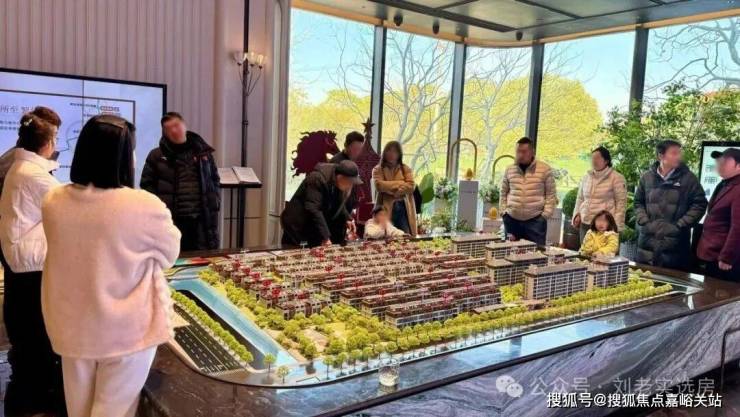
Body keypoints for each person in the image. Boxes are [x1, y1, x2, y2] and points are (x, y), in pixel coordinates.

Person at [41, 115, 181, 417]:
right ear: (124, 157)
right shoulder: (144, 206)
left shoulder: (53, 201)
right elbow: (169, 254)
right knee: (114, 410)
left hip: (72, 327)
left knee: (78, 409)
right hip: (127, 331)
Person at [0, 111, 66, 416]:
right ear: (47, 142)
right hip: (30, 263)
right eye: (55, 138)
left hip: (20, 259)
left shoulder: (19, 165)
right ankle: (38, 402)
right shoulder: (33, 174)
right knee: (36, 334)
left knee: (26, 330)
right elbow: (67, 206)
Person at [141, 112, 220, 251]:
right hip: (172, 220)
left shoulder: (204, 153)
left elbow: (214, 179)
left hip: (201, 219)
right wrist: (158, 209)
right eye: (168, 129)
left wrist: (215, 200)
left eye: (176, 125)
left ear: (184, 125)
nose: (173, 130)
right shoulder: (156, 156)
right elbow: (147, 185)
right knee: (173, 257)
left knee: (202, 259)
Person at [634, 140, 707, 270]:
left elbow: (700, 204)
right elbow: (638, 202)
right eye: (674, 153)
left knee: (672, 280)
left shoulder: (688, 178)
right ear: (661, 156)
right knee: (644, 278)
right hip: (648, 240)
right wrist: (644, 220)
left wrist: (681, 224)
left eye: (679, 153)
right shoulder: (647, 177)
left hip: (675, 242)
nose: (678, 156)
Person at [281, 160, 362, 247]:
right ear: (340, 177)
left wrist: (347, 218)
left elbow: (338, 203)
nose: (350, 186)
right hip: (296, 224)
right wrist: (325, 237)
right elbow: (313, 209)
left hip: (311, 224)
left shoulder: (335, 180)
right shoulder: (316, 179)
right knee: (296, 252)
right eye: (349, 182)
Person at [500, 137, 557, 246]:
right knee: (510, 252)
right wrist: (504, 212)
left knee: (537, 253)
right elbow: (503, 192)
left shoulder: (544, 169)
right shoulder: (509, 169)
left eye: (524, 151)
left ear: (532, 152)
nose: (520, 155)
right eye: (518, 151)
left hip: (535, 221)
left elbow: (551, 195)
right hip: (512, 220)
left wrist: (545, 215)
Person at [697, 148, 740, 280]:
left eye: (725, 162)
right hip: (711, 253)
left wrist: (727, 257)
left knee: (721, 291)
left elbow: (737, 227)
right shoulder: (725, 184)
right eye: (719, 162)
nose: (720, 165)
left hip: (724, 259)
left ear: (738, 166)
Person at [0, 106, 62, 196]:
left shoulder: (15, 163)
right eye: (55, 135)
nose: (56, 141)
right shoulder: (41, 179)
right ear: (48, 142)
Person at [572, 146, 627, 241]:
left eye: (597, 158)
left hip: (605, 226)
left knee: (603, 250)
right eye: (592, 158)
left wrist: (616, 227)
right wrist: (577, 214)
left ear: (606, 161)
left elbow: (621, 203)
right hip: (585, 223)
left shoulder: (617, 178)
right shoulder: (586, 177)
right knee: (585, 249)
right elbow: (580, 198)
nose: (594, 161)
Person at [372, 141, 417, 235]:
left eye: (395, 151)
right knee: (387, 235)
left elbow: (411, 185)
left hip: (404, 207)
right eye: (389, 151)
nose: (391, 154)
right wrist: (401, 183)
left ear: (399, 154)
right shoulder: (378, 169)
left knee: (406, 236)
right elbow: (379, 186)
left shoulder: (405, 168)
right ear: (384, 153)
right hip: (385, 207)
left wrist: (396, 191)